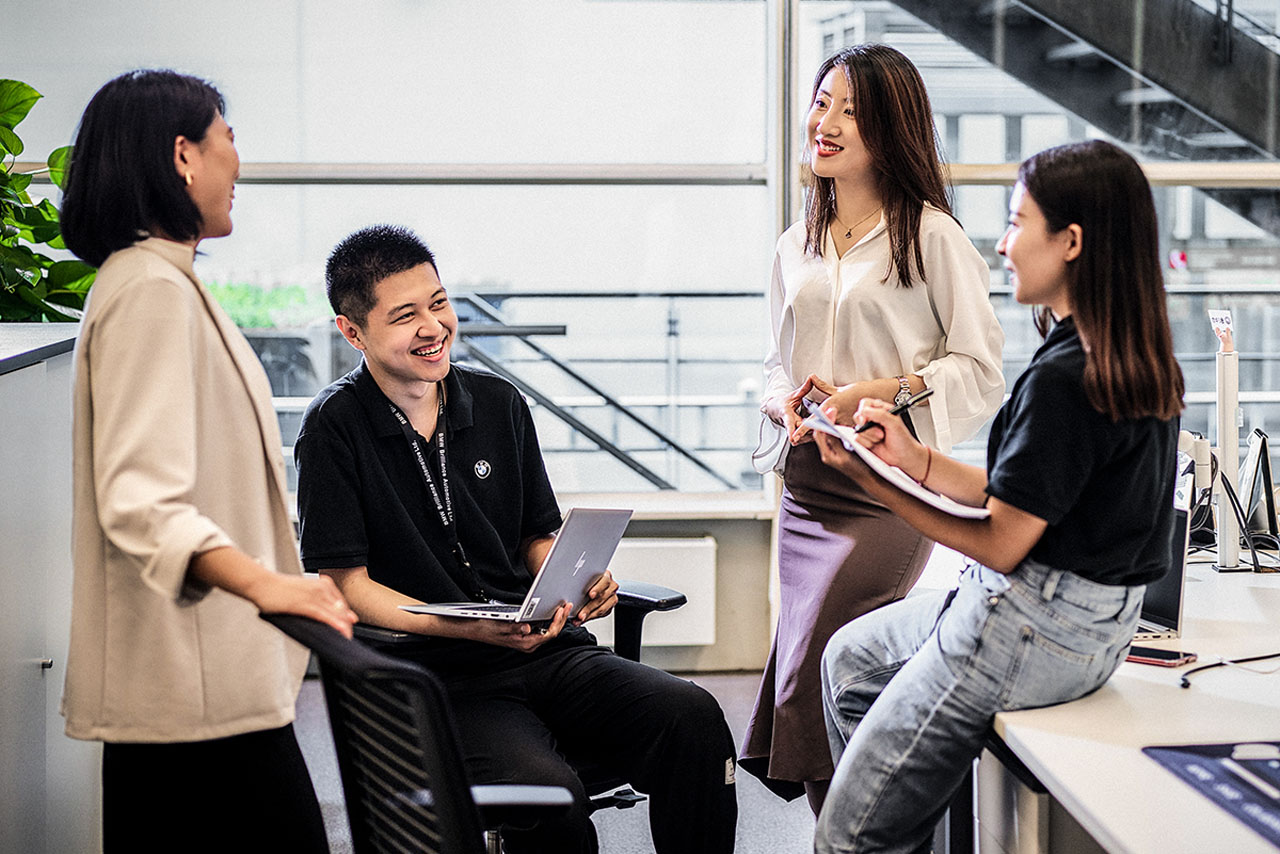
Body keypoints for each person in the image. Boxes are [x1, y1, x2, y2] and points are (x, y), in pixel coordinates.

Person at [293, 224, 738, 854]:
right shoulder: (334, 428)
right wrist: (463, 628)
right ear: (353, 331)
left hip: (546, 649)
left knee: (693, 718)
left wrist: (574, 576)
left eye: (439, 303)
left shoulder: (498, 403)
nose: (433, 327)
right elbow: (345, 586)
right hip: (441, 675)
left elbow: (536, 534)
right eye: (405, 316)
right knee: (548, 795)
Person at [811, 139, 1185, 853]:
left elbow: (1000, 540)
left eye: (1018, 224)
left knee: (846, 838)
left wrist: (872, 480)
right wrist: (912, 456)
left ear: (1070, 242)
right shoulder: (1130, 355)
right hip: (1096, 630)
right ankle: (904, 798)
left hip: (1027, 625)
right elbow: (1029, 494)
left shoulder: (1064, 380)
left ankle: (885, 815)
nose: (1005, 244)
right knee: (850, 661)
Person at [58, 69, 357, 854]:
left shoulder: (158, 282)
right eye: (228, 138)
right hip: (190, 694)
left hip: (196, 689)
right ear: (183, 156)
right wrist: (273, 586)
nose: (238, 163)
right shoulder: (150, 291)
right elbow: (139, 500)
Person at [742, 43, 1005, 810]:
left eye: (850, 111)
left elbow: (982, 370)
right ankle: (847, 829)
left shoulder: (931, 236)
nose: (824, 122)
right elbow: (772, 361)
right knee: (807, 675)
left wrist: (886, 391)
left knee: (822, 669)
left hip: (889, 489)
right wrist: (782, 400)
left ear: (890, 130)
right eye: (822, 102)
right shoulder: (797, 242)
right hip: (807, 489)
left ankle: (857, 828)